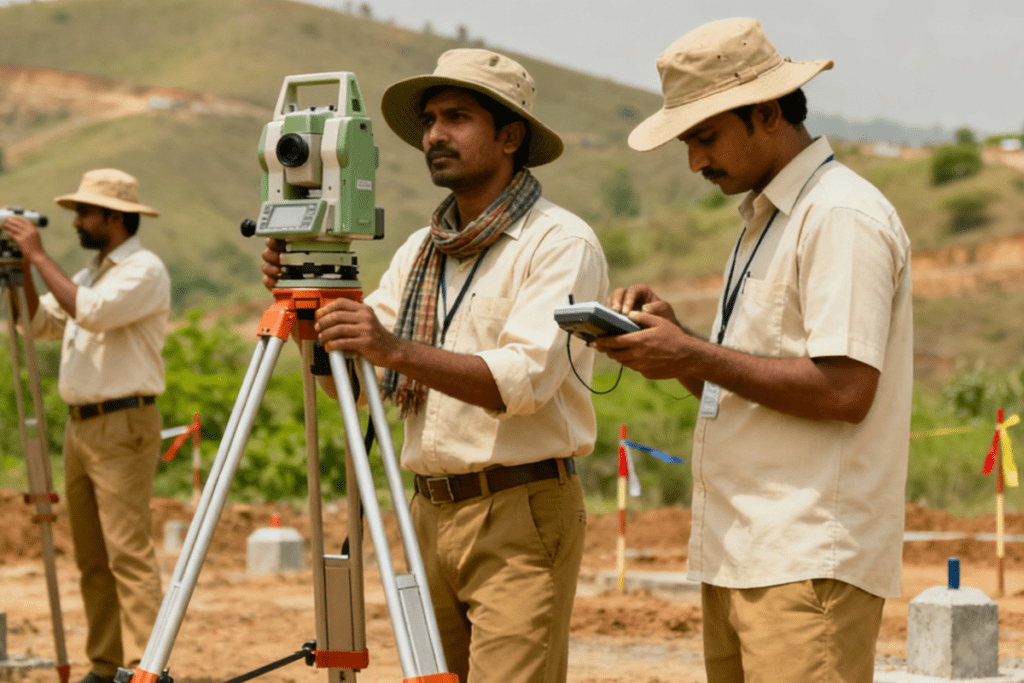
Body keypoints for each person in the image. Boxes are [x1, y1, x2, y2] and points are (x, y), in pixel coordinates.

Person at [262, 49, 608, 683]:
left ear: (509, 137)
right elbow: (356, 380)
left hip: (520, 508)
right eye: (428, 121)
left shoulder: (558, 243)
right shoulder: (422, 251)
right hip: (426, 508)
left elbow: (523, 382)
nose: (434, 136)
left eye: (457, 117)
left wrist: (392, 348)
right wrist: (310, 307)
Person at [592, 18, 913, 682]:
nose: (695, 162)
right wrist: (680, 347)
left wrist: (694, 354)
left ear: (766, 113)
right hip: (746, 552)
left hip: (806, 559)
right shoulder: (765, 220)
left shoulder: (839, 216)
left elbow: (846, 391)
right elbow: (748, 387)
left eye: (705, 136)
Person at [4, 169, 170, 683]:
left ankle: (150, 666)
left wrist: (36, 256)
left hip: (122, 424)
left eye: (86, 212)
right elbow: (38, 324)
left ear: (114, 218)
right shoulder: (91, 272)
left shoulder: (143, 270)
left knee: (128, 555)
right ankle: (105, 664)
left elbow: (92, 315)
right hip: (83, 429)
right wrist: (21, 274)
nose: (76, 221)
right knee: (93, 558)